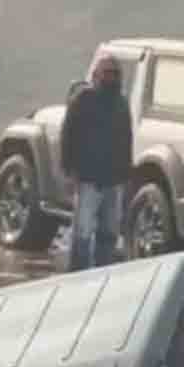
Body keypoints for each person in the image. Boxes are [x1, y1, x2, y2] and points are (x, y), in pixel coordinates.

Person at [58, 55, 133, 271]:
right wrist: (69, 171)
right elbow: (67, 135)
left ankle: (103, 276)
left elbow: (126, 139)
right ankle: (77, 276)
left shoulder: (122, 103)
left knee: (109, 233)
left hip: (114, 180)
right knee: (82, 233)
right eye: (107, 72)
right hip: (88, 178)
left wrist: (127, 175)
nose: (111, 77)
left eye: (116, 73)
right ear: (96, 75)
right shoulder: (83, 99)